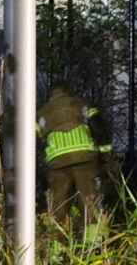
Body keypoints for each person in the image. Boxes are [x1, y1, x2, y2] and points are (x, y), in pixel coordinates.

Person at [36, 82, 112, 239]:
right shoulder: (80, 104)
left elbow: (33, 141)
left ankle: (58, 250)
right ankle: (93, 246)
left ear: (51, 96)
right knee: (90, 203)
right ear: (68, 92)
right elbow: (99, 128)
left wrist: (42, 166)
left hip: (57, 162)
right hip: (85, 159)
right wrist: (105, 157)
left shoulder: (41, 113)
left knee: (59, 206)